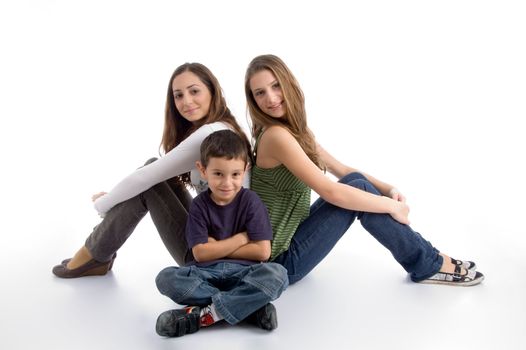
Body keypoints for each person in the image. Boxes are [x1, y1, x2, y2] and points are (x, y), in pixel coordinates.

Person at [244, 54, 484, 286]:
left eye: (276, 86)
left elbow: (342, 170)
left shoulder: (296, 131)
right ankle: (429, 263)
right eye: (260, 93)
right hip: (278, 263)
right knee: (355, 188)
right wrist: (392, 206)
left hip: (293, 242)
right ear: (253, 100)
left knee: (355, 180)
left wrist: (388, 189)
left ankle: (428, 257)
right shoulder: (276, 136)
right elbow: (331, 192)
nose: (271, 98)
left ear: (288, 84)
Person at [52, 62, 251, 278]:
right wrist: (115, 197)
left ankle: (94, 253)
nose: (186, 101)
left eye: (194, 91)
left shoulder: (209, 134)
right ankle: (97, 253)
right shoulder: (224, 127)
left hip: (212, 262)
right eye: (178, 95)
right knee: (156, 177)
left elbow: (146, 177)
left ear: (212, 91)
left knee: (150, 181)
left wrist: (104, 205)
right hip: (215, 243)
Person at [154, 130, 288, 338]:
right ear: (203, 170)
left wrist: (215, 246)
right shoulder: (200, 206)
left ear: (245, 169)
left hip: (244, 274)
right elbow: (200, 254)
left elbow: (262, 252)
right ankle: (248, 308)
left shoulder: (251, 201)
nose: (227, 183)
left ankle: (206, 315)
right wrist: (242, 238)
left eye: (235, 174)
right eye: (218, 174)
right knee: (165, 278)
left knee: (278, 274)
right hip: (205, 274)